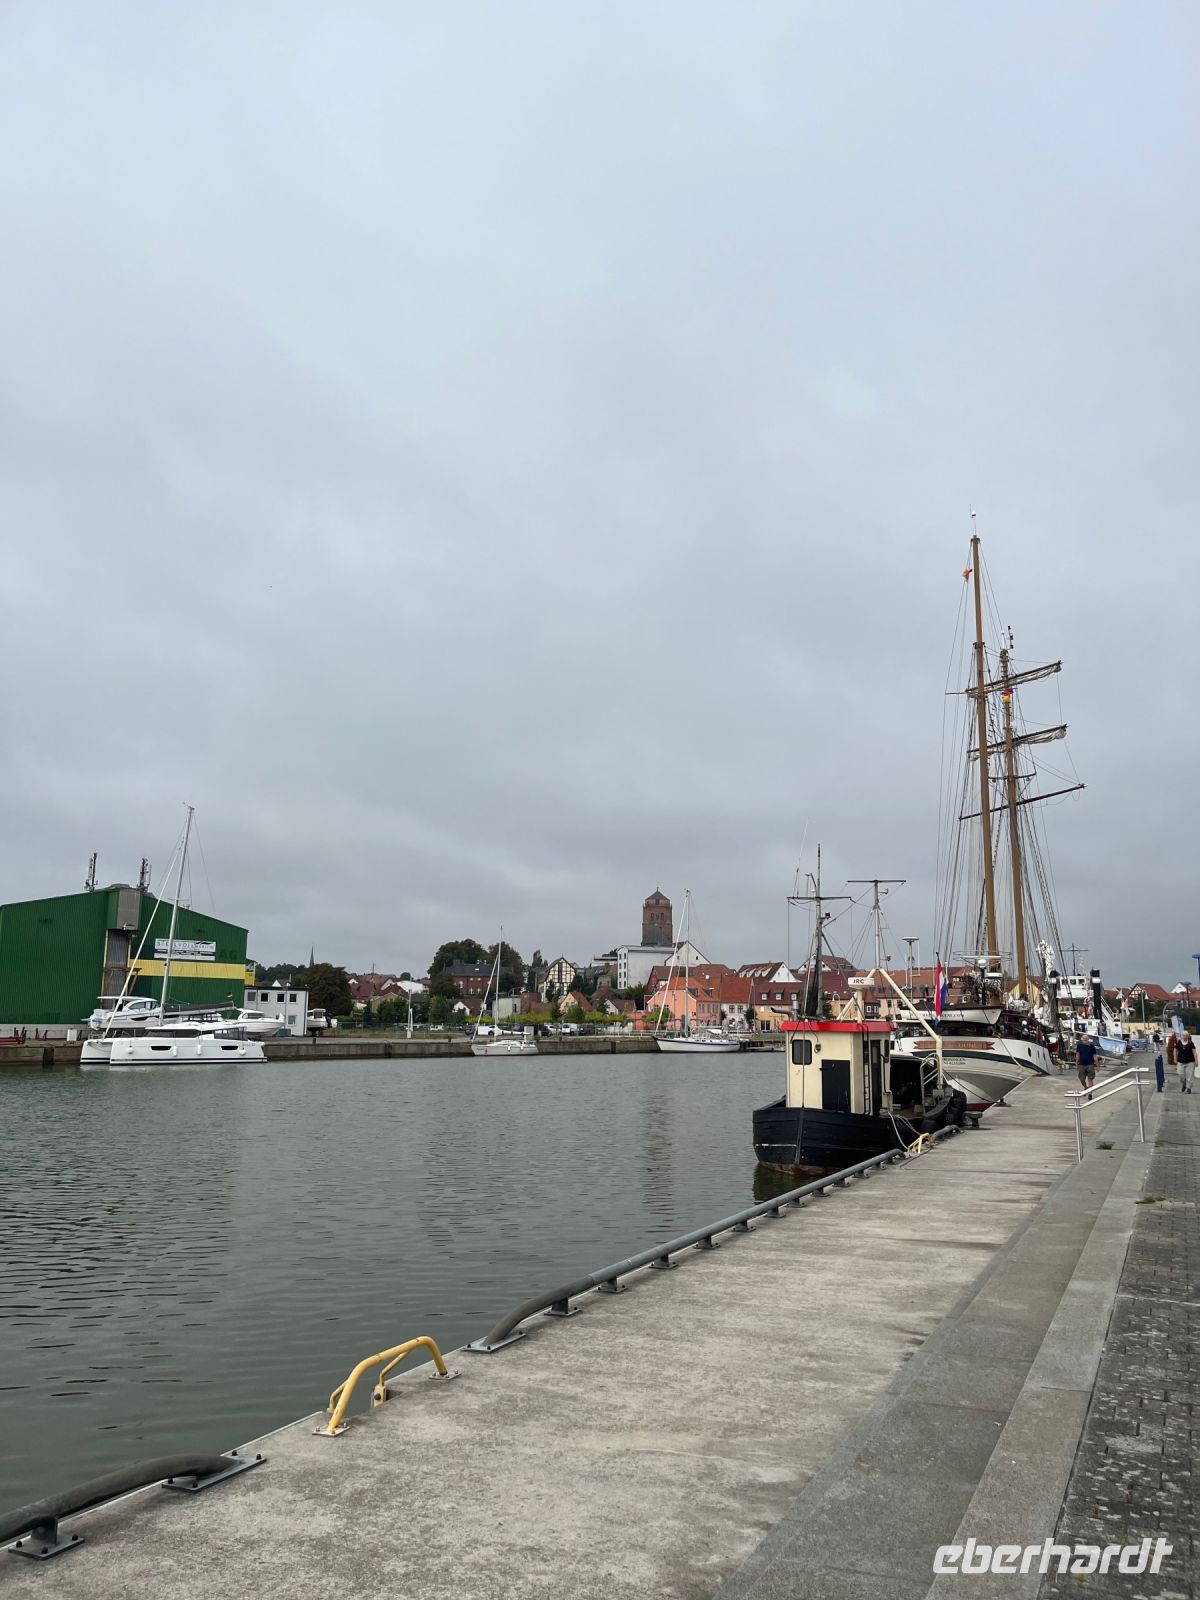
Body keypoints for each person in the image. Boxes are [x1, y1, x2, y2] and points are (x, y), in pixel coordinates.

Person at [1076, 1032, 1098, 1096]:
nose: (1085, 1039)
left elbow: (1094, 1056)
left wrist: (1097, 1065)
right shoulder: (1079, 1046)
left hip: (1090, 1065)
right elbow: (1078, 1055)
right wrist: (1076, 1064)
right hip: (1082, 1065)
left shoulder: (1092, 1047)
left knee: (1090, 1079)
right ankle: (1085, 1087)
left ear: (1088, 1039)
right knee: (1082, 1079)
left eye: (1086, 1038)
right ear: (1082, 1039)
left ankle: (1090, 1093)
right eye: (1084, 1038)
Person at [1176, 1030, 1196, 1094]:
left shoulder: (1191, 1043)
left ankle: (1189, 1088)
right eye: (1184, 1035)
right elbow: (1175, 1050)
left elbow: (1194, 1052)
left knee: (1189, 1076)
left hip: (1190, 1062)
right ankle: (1184, 1084)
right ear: (1182, 1036)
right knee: (1180, 1074)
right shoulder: (1179, 1042)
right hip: (1180, 1062)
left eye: (1186, 1036)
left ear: (1188, 1036)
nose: (1185, 1037)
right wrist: (1175, 1058)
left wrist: (1196, 1061)